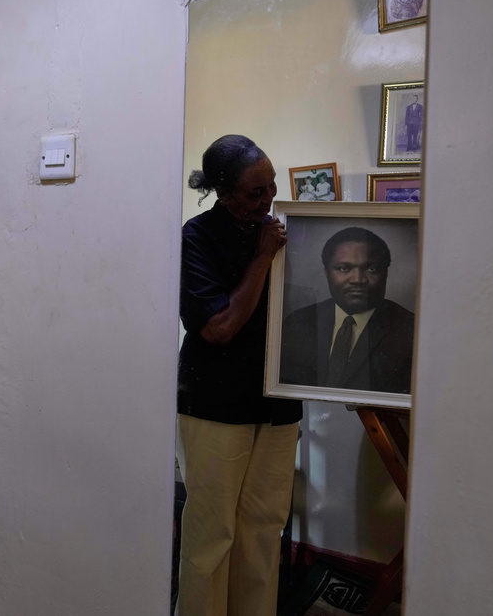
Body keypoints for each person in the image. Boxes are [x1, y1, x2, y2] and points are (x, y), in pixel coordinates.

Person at [176, 134, 302, 616]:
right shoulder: (196, 237)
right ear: (224, 194)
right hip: (215, 402)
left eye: (271, 186)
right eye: (254, 192)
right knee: (212, 534)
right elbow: (220, 327)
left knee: (263, 530)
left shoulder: (285, 231)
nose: (267, 198)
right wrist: (263, 257)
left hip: (278, 402)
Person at [279, 227, 415, 393]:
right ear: (327, 273)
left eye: (371, 269)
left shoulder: (412, 330)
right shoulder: (298, 322)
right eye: (344, 268)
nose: (357, 280)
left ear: (385, 273)